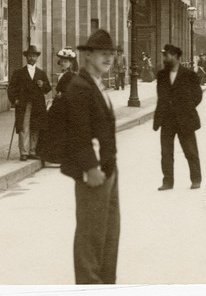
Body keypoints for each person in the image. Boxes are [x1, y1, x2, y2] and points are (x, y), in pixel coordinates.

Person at [64, 29, 120, 285]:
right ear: (87, 56)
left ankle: (106, 285)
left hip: (108, 170)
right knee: (91, 236)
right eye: (102, 54)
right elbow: (78, 133)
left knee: (108, 235)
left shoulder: (96, 84)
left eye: (111, 54)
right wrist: (91, 167)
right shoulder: (79, 86)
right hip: (93, 173)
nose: (109, 58)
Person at [154, 44, 203, 191]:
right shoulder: (162, 75)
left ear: (175, 56)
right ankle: (167, 182)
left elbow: (198, 95)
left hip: (185, 119)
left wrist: (187, 108)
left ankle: (196, 179)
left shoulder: (188, 74)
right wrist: (159, 118)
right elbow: (160, 97)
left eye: (167, 55)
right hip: (167, 120)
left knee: (190, 151)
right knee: (166, 153)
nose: (164, 58)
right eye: (164, 55)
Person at [8, 45, 52, 161]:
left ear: (37, 57)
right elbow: (11, 88)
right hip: (24, 104)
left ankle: (33, 151)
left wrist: (43, 85)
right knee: (24, 127)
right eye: (29, 56)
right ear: (26, 57)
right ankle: (24, 152)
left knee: (35, 127)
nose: (31, 58)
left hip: (38, 104)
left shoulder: (41, 73)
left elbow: (48, 88)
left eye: (34, 56)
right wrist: (15, 100)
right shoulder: (19, 73)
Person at [37, 48, 77, 167]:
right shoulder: (63, 75)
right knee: (55, 130)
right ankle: (53, 156)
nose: (63, 63)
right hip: (59, 106)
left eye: (66, 62)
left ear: (70, 63)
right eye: (62, 61)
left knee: (60, 131)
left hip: (65, 107)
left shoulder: (71, 75)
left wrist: (63, 95)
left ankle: (60, 158)